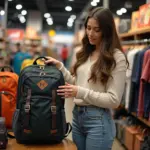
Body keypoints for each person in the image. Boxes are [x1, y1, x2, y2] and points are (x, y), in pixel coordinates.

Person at [44, 7, 128, 150]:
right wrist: (60, 67)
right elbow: (78, 83)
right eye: (88, 28)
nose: (90, 33)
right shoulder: (86, 52)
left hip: (98, 121)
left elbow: (114, 100)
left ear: (107, 31)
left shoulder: (116, 57)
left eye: (97, 29)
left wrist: (79, 92)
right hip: (77, 118)